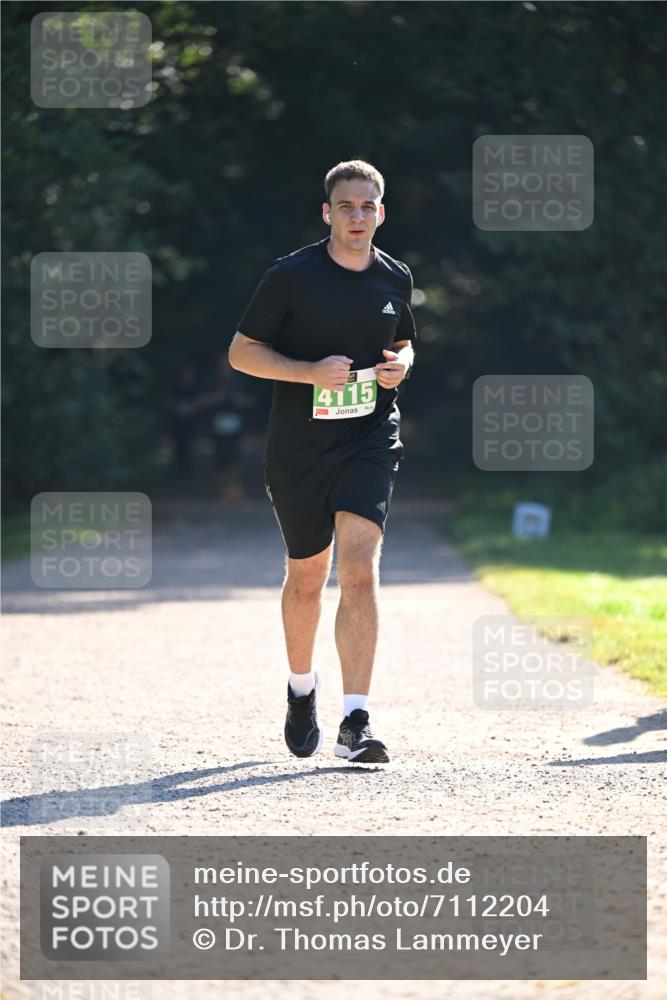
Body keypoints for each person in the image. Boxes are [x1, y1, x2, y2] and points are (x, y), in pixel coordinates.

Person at [228, 159, 417, 763]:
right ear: (327, 213)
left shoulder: (395, 277)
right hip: (299, 448)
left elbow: (405, 342)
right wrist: (308, 374)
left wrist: (402, 366)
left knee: (359, 567)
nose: (357, 216)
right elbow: (241, 353)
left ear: (381, 213)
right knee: (308, 575)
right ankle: (301, 689)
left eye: (368, 206)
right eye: (347, 206)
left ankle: (355, 719)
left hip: (369, 438)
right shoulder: (292, 277)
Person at [197, 352, 256, 501]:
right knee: (219, 455)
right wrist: (218, 397)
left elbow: (251, 401)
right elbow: (201, 401)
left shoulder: (241, 381)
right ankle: (221, 489)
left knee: (236, 454)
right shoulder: (211, 382)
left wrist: (238, 399)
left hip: (237, 424)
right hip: (217, 424)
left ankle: (235, 488)